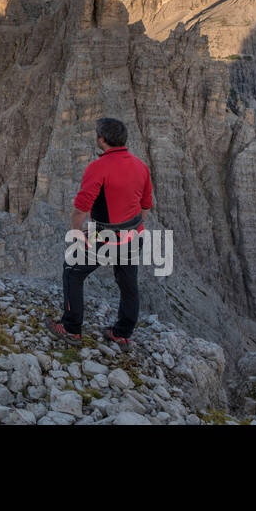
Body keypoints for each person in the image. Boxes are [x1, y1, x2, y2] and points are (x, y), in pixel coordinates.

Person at [50, 117, 153, 348]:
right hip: (133, 235)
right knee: (128, 284)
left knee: (72, 271)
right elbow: (145, 206)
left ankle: (70, 328)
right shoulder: (141, 166)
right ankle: (122, 333)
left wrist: (77, 235)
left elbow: (80, 209)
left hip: (106, 238)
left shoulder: (98, 167)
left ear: (102, 140)